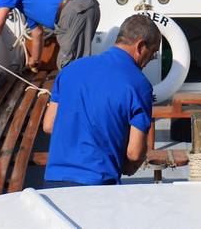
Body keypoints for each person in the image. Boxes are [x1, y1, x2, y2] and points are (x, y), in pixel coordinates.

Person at [41, 14, 160, 187]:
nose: (150, 60)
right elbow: (134, 153)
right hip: (98, 185)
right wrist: (130, 167)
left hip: (55, 180)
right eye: (153, 52)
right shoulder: (139, 85)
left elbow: (49, 125)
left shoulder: (70, 70)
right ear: (140, 46)